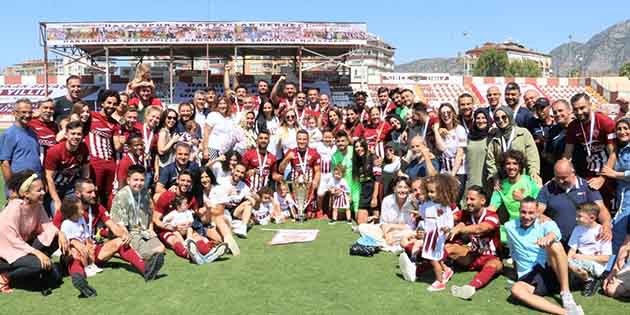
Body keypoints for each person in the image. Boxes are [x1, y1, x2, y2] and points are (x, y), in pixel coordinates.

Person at [52, 178, 148, 283]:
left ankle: (146, 269)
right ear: (78, 193)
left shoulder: (98, 207)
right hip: (75, 252)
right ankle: (79, 278)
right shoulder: (68, 208)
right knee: (75, 252)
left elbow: (113, 226)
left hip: (92, 250)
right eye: (89, 192)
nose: (94, 195)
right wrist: (65, 236)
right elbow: (53, 229)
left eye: (94, 191)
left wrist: (124, 234)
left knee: (121, 241)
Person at [506, 197, 584, 315]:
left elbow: (555, 233)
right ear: (519, 211)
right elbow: (513, 251)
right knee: (517, 290)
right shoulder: (509, 227)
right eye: (523, 212)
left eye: (531, 212)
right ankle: (567, 313)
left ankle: (566, 293)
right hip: (530, 275)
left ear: (537, 212)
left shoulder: (545, 223)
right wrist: (516, 272)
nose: (527, 216)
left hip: (552, 269)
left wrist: (548, 238)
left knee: (555, 245)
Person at [0, 171, 67, 295]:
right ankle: (5, 277)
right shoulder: (14, 208)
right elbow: (12, 241)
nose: (43, 192)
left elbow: (47, 226)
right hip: (6, 254)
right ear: (26, 193)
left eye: (43, 189)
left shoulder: (37, 205)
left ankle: (36, 271)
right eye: (39, 190)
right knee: (39, 266)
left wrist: (60, 233)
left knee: (55, 240)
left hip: (22, 248)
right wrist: (37, 253)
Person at [154, 171, 228, 264]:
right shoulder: (167, 196)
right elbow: (155, 219)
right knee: (175, 240)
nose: (185, 183)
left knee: (197, 237)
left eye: (188, 181)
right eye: (183, 180)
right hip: (168, 230)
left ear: (191, 183)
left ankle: (208, 253)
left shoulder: (191, 198)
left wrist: (206, 209)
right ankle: (191, 256)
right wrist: (171, 227)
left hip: (187, 229)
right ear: (177, 180)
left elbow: (198, 214)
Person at [445, 186, 503, 300]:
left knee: (495, 265)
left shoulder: (492, 216)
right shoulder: (466, 213)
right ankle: (416, 270)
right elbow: (449, 217)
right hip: (473, 255)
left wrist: (461, 228)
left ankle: (470, 287)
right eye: (467, 199)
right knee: (449, 248)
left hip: (491, 257)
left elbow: (480, 228)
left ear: (483, 201)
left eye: (472, 199)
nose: (468, 202)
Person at [110, 165, 165, 281]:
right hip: (130, 232)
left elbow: (150, 211)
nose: (139, 183)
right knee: (150, 252)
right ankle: (143, 259)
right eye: (135, 180)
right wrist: (125, 235)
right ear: (128, 180)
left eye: (142, 180)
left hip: (143, 231)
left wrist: (151, 228)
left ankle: (145, 256)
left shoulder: (144, 192)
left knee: (161, 249)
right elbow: (118, 222)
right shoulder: (122, 196)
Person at [537, 160, 612, 245]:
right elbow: (537, 211)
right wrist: (543, 217)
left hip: (582, 241)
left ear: (573, 173)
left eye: (564, 177)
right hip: (556, 241)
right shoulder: (548, 188)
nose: (561, 181)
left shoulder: (586, 186)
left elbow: (601, 209)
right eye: (558, 177)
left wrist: (606, 224)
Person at [563, 93, 616, 210]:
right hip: (589, 173)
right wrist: (561, 173)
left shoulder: (605, 122)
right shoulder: (573, 126)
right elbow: (567, 154)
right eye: (575, 109)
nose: (579, 112)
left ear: (590, 105)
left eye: (582, 108)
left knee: (606, 210)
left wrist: (602, 178)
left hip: (608, 175)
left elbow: (614, 153)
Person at [405, 175, 458, 291]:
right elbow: (424, 214)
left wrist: (447, 229)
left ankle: (440, 282)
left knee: (433, 259)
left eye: (432, 192)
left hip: (437, 236)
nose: (430, 194)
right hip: (429, 235)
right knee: (436, 257)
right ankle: (447, 270)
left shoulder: (444, 206)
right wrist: (417, 213)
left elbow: (449, 221)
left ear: (441, 191)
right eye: (428, 191)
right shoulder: (426, 204)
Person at [488, 150, 540, 242]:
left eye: (515, 163)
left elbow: (540, 207)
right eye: (508, 164)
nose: (511, 167)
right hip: (513, 227)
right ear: (504, 167)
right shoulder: (501, 186)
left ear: (520, 166)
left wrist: (523, 199)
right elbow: (491, 209)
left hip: (532, 225)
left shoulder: (530, 182)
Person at [485, 106, 541, 186]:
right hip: (502, 181)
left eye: (504, 117)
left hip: (522, 178)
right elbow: (490, 160)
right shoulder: (494, 137)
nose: (501, 120)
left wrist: (534, 173)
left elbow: (532, 155)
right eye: (497, 118)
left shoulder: (523, 133)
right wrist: (495, 177)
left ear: (510, 116)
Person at [86, 90, 124, 207]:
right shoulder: (91, 116)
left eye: (114, 104)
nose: (111, 106)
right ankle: (93, 221)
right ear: (102, 103)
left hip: (110, 164)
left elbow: (117, 147)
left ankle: (106, 221)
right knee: (93, 194)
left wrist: (123, 141)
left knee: (108, 196)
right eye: (109, 103)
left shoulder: (115, 124)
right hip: (94, 163)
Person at [44, 121, 90, 214]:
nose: (76, 137)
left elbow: (86, 170)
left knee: (77, 213)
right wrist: (57, 200)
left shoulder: (84, 148)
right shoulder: (55, 151)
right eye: (72, 133)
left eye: (79, 134)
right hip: (54, 189)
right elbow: (49, 178)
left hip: (70, 187)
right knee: (58, 214)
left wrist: (84, 188)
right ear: (66, 135)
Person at [567, 202, 612, 296]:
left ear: (592, 218)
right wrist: (567, 261)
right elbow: (572, 250)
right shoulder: (577, 229)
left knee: (572, 265)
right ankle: (584, 279)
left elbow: (606, 258)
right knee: (565, 263)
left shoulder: (602, 232)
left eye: (580, 216)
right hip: (579, 262)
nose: (576, 219)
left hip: (597, 265)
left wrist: (583, 257)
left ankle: (590, 280)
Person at [58, 197, 99, 297]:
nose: (83, 210)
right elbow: (67, 242)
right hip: (72, 250)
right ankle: (84, 269)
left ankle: (90, 265)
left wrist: (89, 243)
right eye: (80, 209)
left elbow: (85, 234)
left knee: (88, 249)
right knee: (79, 253)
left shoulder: (81, 219)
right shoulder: (66, 224)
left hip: (82, 246)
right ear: (73, 213)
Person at [194, 167, 241, 256]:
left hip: (223, 219)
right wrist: (206, 210)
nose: (204, 180)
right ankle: (227, 242)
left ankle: (228, 238)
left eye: (207, 177)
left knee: (218, 218)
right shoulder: (198, 192)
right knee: (214, 235)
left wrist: (207, 208)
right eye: (202, 178)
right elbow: (203, 219)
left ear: (211, 177)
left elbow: (220, 212)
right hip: (208, 223)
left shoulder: (219, 189)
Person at [0, 99, 42, 191]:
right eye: (23, 112)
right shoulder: (9, 134)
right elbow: (5, 164)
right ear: (15, 113)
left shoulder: (33, 133)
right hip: (19, 186)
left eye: (30, 112)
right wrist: (12, 189)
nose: (27, 115)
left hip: (35, 185)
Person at [278, 130, 321, 219]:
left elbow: (317, 171)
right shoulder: (291, 152)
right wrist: (287, 159)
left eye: (304, 139)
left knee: (310, 216)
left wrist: (315, 181)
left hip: (309, 187)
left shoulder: (314, 153)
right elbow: (281, 169)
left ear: (308, 140)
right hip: (295, 188)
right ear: (296, 140)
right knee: (295, 215)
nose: (302, 141)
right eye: (299, 139)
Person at [432, 103, 467, 198]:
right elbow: (441, 148)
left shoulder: (460, 129)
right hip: (445, 171)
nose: (446, 115)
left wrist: (452, 175)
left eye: (448, 112)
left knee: (454, 200)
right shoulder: (441, 131)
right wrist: (436, 130)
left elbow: (460, 154)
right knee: (444, 200)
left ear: (453, 113)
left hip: (458, 172)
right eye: (443, 113)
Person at [218, 163, 256, 238]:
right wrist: (227, 193)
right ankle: (235, 224)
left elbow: (253, 203)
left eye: (242, 173)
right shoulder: (222, 181)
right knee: (226, 227)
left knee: (248, 204)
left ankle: (243, 228)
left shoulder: (244, 186)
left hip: (235, 211)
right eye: (237, 171)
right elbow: (215, 198)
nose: (239, 174)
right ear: (233, 170)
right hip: (222, 210)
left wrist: (251, 199)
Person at [351, 139, 381, 224]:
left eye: (361, 146)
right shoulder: (356, 160)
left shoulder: (373, 157)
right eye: (356, 147)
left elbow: (377, 179)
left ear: (365, 146)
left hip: (374, 191)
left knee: (377, 223)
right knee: (360, 222)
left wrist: (374, 197)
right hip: (364, 193)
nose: (358, 148)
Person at [331, 131, 360, 218]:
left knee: (358, 218)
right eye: (338, 141)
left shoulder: (354, 150)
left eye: (343, 141)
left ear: (348, 141)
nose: (340, 143)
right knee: (339, 216)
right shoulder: (334, 156)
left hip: (356, 188)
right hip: (343, 189)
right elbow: (335, 176)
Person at [202, 97, 239, 161]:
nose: (222, 106)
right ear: (217, 105)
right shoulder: (212, 115)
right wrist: (205, 149)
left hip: (227, 150)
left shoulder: (231, 117)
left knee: (225, 170)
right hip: (213, 148)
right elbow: (206, 133)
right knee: (215, 167)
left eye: (224, 103)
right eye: (220, 104)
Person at [464, 108, 490, 191]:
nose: (481, 120)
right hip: (471, 178)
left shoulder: (492, 135)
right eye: (478, 118)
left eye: (483, 118)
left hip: (487, 179)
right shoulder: (469, 136)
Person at [156, 108, 180, 173]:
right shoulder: (163, 132)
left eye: (174, 118)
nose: (172, 120)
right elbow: (161, 151)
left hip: (169, 166)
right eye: (169, 118)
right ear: (164, 118)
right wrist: (172, 141)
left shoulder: (170, 131)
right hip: (163, 167)